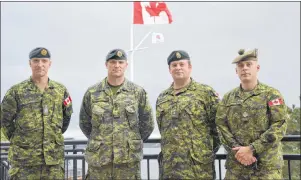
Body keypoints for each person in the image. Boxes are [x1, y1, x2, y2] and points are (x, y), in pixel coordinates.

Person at [79, 48, 154, 180]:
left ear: (126, 65)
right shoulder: (92, 93)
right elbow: (84, 123)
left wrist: (130, 141)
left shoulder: (137, 92)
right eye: (113, 62)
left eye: (120, 62)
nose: (117, 66)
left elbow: (147, 123)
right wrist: (101, 140)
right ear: (106, 65)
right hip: (99, 162)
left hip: (128, 163)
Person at [1, 47, 73, 179]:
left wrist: (52, 137)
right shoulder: (16, 91)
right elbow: (4, 120)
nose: (40, 64)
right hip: (24, 161)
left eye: (44, 61)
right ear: (30, 63)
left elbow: (66, 116)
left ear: (49, 64)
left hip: (53, 161)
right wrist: (21, 140)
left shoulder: (60, 91)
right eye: (36, 60)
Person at [216, 48, 288, 179]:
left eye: (249, 65)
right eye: (240, 66)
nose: (244, 68)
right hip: (236, 168)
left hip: (266, 168)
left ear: (257, 67)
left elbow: (279, 125)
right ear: (236, 71)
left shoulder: (271, 94)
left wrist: (252, 149)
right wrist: (239, 150)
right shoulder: (228, 98)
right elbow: (221, 125)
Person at [156, 50, 220, 179]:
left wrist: (202, 152)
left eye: (181, 64)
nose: (178, 68)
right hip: (170, 169)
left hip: (198, 169)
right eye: (174, 65)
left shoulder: (205, 93)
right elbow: (162, 129)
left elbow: (217, 128)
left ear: (189, 67)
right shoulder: (163, 97)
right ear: (169, 69)